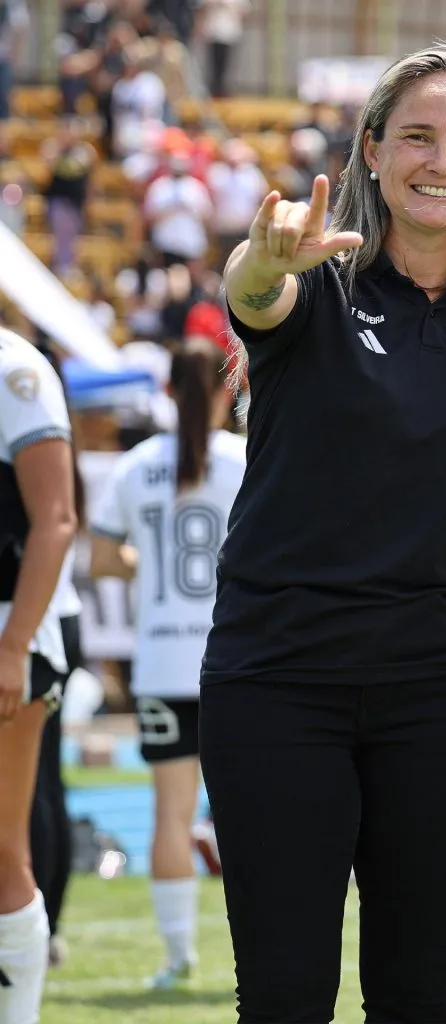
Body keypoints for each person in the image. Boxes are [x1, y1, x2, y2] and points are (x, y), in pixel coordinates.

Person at [199, 44, 446, 1024]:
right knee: (284, 996)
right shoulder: (314, 280)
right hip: (278, 683)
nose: (439, 161)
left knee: (415, 1000)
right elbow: (251, 292)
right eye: (416, 137)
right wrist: (264, 257)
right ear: (371, 149)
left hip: (436, 697)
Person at [88, 338, 245, 990]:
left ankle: (177, 959)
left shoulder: (134, 467)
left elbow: (100, 561)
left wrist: (147, 565)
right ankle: (258, 958)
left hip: (162, 664)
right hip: (237, 661)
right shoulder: (245, 459)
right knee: (254, 819)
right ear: (221, 389)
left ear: (168, 393)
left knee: (170, 819)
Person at [0, 326, 78, 1024]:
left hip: (9, 628)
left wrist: (12, 644)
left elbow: (56, 519)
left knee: (1, 850)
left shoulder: (15, 369)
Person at [28, 348, 88, 970]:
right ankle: (44, 927)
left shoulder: (25, 416)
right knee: (45, 782)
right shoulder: (57, 440)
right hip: (56, 618)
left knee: (35, 785)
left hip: (37, 620)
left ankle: (37, 926)